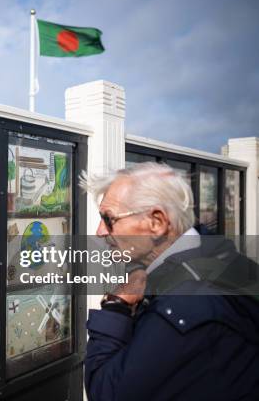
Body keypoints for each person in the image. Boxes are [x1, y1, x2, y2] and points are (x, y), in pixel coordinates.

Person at [81, 162, 259, 401]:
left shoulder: (183, 307)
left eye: (109, 219)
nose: (100, 231)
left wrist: (117, 306)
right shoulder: (217, 257)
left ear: (157, 223)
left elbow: (106, 393)